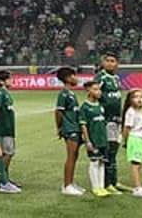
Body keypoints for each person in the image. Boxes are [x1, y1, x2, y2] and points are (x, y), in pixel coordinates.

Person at [95, 52, 127, 193]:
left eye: (112, 61)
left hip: (116, 120)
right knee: (107, 151)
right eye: (107, 60)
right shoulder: (101, 77)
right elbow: (93, 93)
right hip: (106, 120)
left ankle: (114, 181)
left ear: (117, 64)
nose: (109, 63)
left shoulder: (116, 78)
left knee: (113, 151)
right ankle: (107, 183)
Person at [55, 66, 85, 195]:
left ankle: (71, 183)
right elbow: (58, 112)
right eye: (74, 75)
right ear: (68, 78)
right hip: (70, 129)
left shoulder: (71, 93)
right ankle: (67, 185)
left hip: (75, 128)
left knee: (75, 156)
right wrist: (60, 127)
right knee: (71, 156)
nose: (76, 78)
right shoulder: (64, 94)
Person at [121, 88, 142, 198]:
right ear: (130, 100)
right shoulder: (131, 112)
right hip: (135, 139)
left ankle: (138, 185)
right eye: (136, 97)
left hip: (140, 139)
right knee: (136, 164)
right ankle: (137, 188)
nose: (139, 99)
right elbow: (127, 128)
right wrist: (125, 141)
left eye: (141, 97)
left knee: (139, 163)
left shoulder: (138, 111)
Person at [79, 79, 109, 196]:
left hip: (102, 139)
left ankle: (101, 186)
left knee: (102, 162)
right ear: (88, 90)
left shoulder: (100, 106)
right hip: (93, 140)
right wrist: (87, 141)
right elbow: (83, 125)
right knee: (94, 162)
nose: (99, 92)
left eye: (99, 89)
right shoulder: (85, 107)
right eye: (95, 89)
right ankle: (95, 187)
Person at [0, 70, 16, 178]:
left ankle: (5, 178)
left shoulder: (5, 93)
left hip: (8, 129)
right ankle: (3, 178)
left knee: (8, 152)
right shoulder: (0, 93)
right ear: (1, 81)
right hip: (2, 129)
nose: (12, 80)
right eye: (9, 79)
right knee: (7, 153)